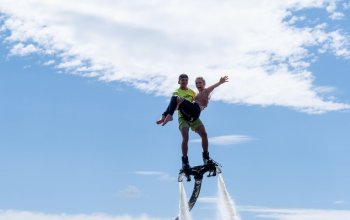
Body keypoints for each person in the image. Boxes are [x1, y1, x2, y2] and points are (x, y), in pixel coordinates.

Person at [156, 74, 229, 170]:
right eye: (196, 83)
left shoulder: (202, 92)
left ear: (204, 84)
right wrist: (165, 115)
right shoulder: (188, 94)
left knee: (204, 134)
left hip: (194, 114)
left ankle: (206, 157)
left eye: (200, 82)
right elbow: (174, 105)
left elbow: (212, 87)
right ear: (179, 81)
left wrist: (220, 82)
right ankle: (185, 162)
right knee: (185, 137)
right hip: (185, 115)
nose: (198, 84)